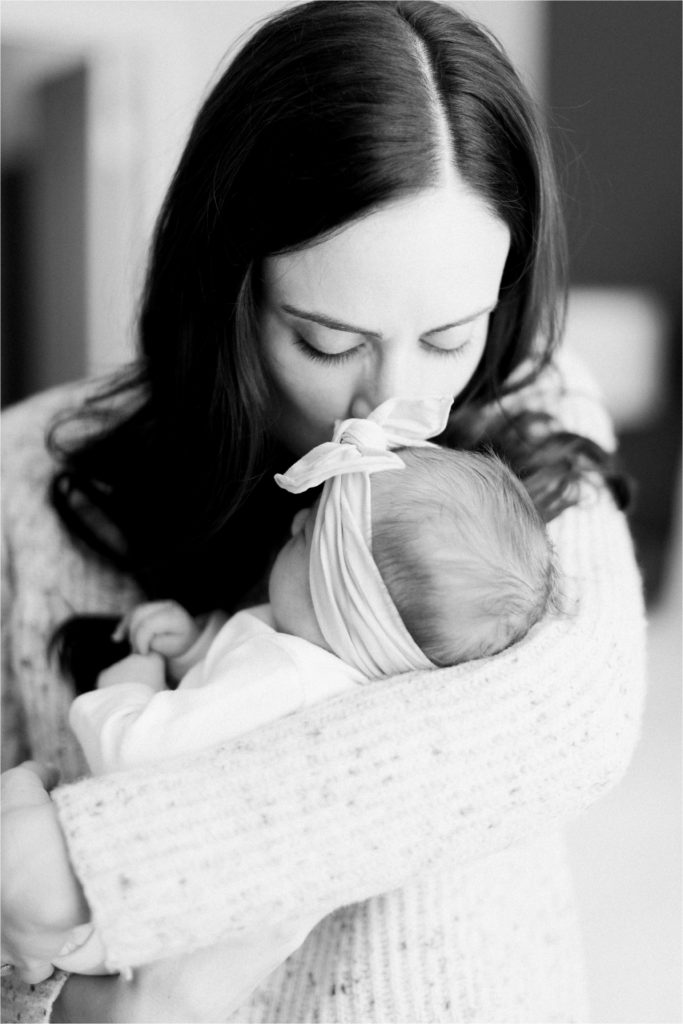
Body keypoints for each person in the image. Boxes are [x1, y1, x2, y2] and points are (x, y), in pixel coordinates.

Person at [1, 1, 645, 1022]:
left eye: (447, 336)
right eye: (327, 338)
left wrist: (86, 862)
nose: (391, 405)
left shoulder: (530, 410)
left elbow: (567, 718)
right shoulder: (24, 480)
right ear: (232, 287)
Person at [51, 393, 558, 976]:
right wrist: (196, 646)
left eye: (308, 534)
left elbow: (133, 755)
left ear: (339, 605)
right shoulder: (321, 662)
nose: (293, 520)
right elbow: (225, 702)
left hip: (156, 908)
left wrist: (130, 683)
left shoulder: (284, 678)